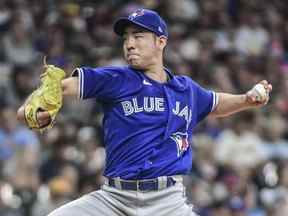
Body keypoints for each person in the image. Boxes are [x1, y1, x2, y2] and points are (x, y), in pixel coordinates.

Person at [17, 8, 272, 216]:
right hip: (114, 200)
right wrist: (32, 109)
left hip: (168, 203)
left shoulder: (186, 89)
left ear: (161, 42)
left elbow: (216, 103)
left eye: (138, 36)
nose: (129, 44)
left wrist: (246, 100)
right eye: (126, 38)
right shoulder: (116, 78)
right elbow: (59, 87)